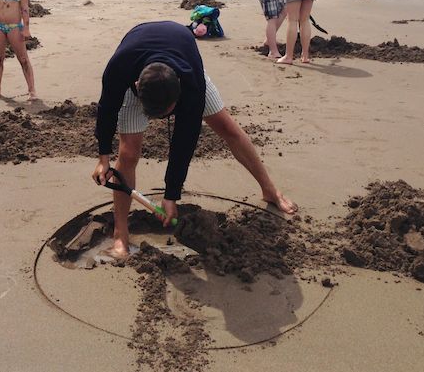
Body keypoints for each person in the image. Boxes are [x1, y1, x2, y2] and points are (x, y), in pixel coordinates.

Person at [92, 21, 298, 258]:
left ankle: (269, 190)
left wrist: (171, 194)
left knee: (228, 128)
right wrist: (103, 158)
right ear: (138, 87)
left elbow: (185, 139)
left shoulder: (191, 83)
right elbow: (106, 110)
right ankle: (120, 235)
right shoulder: (119, 69)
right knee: (128, 154)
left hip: (183, 63)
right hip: (136, 68)